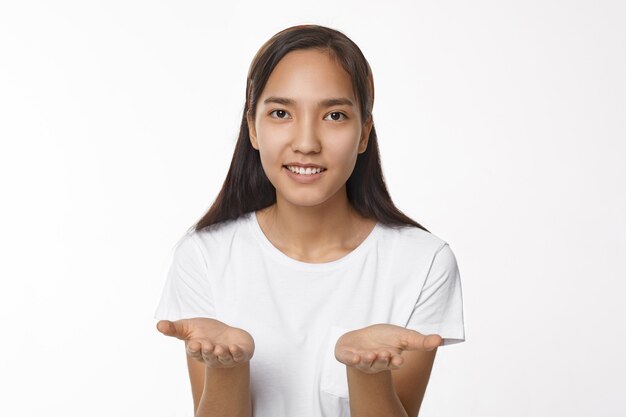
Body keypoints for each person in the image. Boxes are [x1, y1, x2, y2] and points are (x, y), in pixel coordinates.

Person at [153, 24, 465, 417]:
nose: (306, 142)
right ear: (252, 126)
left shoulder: (422, 262)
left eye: (334, 115)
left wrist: (367, 374)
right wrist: (226, 368)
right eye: (281, 112)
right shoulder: (204, 255)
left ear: (364, 132)